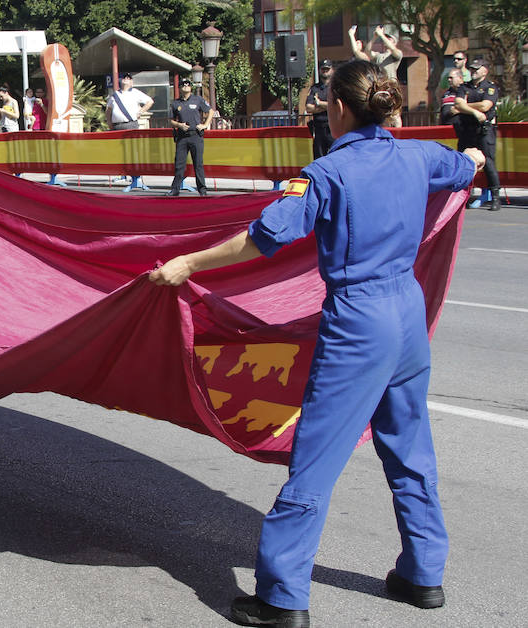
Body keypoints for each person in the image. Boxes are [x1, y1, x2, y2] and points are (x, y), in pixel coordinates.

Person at [149, 60, 484, 627]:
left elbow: (264, 238)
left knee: (316, 461)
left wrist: (189, 263)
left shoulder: (327, 174)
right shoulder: (419, 157)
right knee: (409, 447)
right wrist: (473, 156)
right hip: (407, 312)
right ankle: (423, 572)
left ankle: (282, 596)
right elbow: (463, 166)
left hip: (359, 322)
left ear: (339, 108)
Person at [456, 58, 501, 211]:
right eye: (472, 69)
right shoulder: (464, 87)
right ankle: (462, 197)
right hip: (467, 130)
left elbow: (485, 105)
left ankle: (495, 197)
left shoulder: (490, 88)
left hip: (483, 130)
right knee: (463, 161)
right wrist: (475, 111)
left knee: (488, 163)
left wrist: (465, 106)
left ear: (485, 71)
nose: (473, 71)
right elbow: (457, 104)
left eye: (477, 69)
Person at [167, 77, 212, 197]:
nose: (186, 86)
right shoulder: (176, 103)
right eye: (183, 84)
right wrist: (179, 125)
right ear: (179, 87)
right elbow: (171, 120)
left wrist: (205, 125)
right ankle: (175, 189)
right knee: (179, 164)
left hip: (195, 135)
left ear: (191, 87)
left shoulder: (198, 100)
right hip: (182, 137)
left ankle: (202, 190)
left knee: (198, 164)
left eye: (188, 84)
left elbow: (210, 111)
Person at [306, 60, 334, 159]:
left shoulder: (335, 87)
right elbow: (308, 108)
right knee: (319, 158)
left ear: (332, 70)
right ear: (319, 70)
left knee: (335, 156)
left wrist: (319, 103)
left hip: (332, 129)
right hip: (319, 129)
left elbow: (336, 106)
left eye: (327, 69)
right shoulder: (315, 88)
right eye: (323, 69)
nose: (325, 71)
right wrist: (327, 107)